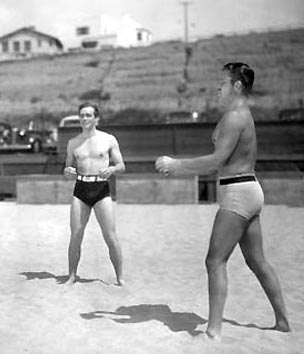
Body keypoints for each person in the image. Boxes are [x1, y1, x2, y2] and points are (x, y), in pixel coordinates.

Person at [155, 63, 290, 339]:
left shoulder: (235, 117)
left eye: (223, 83)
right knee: (257, 261)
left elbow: (217, 161)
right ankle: (283, 321)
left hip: (238, 193)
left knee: (214, 261)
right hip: (247, 189)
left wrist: (175, 164)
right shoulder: (238, 115)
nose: (218, 87)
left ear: (237, 86)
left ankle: (214, 330)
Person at [63, 102, 125, 286]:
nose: (84, 119)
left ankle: (120, 277)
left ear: (96, 118)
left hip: (101, 190)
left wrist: (112, 170)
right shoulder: (73, 143)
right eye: (82, 115)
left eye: (88, 115)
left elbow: (122, 165)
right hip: (81, 189)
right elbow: (67, 168)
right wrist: (68, 172)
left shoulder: (108, 139)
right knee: (76, 235)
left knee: (110, 235)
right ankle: (72, 276)